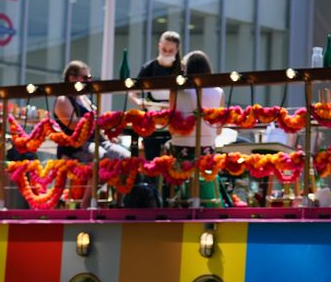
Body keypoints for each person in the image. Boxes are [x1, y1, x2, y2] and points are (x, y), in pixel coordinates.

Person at [54, 60, 130, 206]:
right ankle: (86, 204)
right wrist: (99, 121)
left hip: (95, 141)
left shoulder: (84, 99)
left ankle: (120, 202)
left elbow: (97, 122)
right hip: (75, 146)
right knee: (102, 158)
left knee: (125, 157)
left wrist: (108, 132)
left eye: (89, 78)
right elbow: (76, 125)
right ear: (72, 78)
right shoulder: (63, 99)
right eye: (85, 78)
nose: (89, 81)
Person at [168, 50, 227, 206]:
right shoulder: (218, 92)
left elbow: (172, 127)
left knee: (167, 148)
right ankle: (211, 201)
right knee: (208, 160)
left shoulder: (176, 91)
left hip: (181, 150)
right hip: (207, 152)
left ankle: (176, 199)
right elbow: (219, 130)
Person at [129, 31, 183, 161]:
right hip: (153, 121)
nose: (167, 53)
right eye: (164, 49)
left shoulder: (182, 69)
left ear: (177, 50)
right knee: (151, 158)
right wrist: (138, 102)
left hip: (175, 121)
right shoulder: (149, 68)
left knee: (175, 159)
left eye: (171, 51)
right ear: (159, 46)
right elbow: (132, 91)